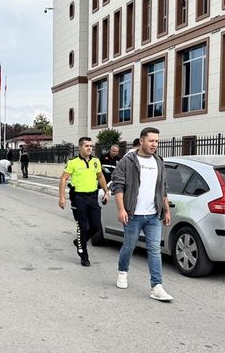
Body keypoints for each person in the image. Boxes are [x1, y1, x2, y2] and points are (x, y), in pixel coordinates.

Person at [110, 127, 173, 302]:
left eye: (157, 141)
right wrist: (121, 209)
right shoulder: (128, 161)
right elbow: (118, 185)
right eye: (151, 141)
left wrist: (166, 210)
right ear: (141, 141)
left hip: (153, 215)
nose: (154, 144)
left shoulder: (158, 161)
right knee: (129, 246)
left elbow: (163, 188)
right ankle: (123, 271)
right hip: (133, 215)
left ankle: (156, 286)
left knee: (154, 250)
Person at [58, 137, 110, 267]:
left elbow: (100, 177)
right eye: (86, 146)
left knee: (96, 226)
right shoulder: (73, 162)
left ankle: (80, 241)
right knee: (82, 227)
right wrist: (62, 197)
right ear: (80, 147)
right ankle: (84, 256)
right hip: (78, 198)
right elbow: (64, 179)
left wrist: (106, 192)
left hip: (93, 197)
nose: (89, 148)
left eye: (91, 146)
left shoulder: (96, 161)